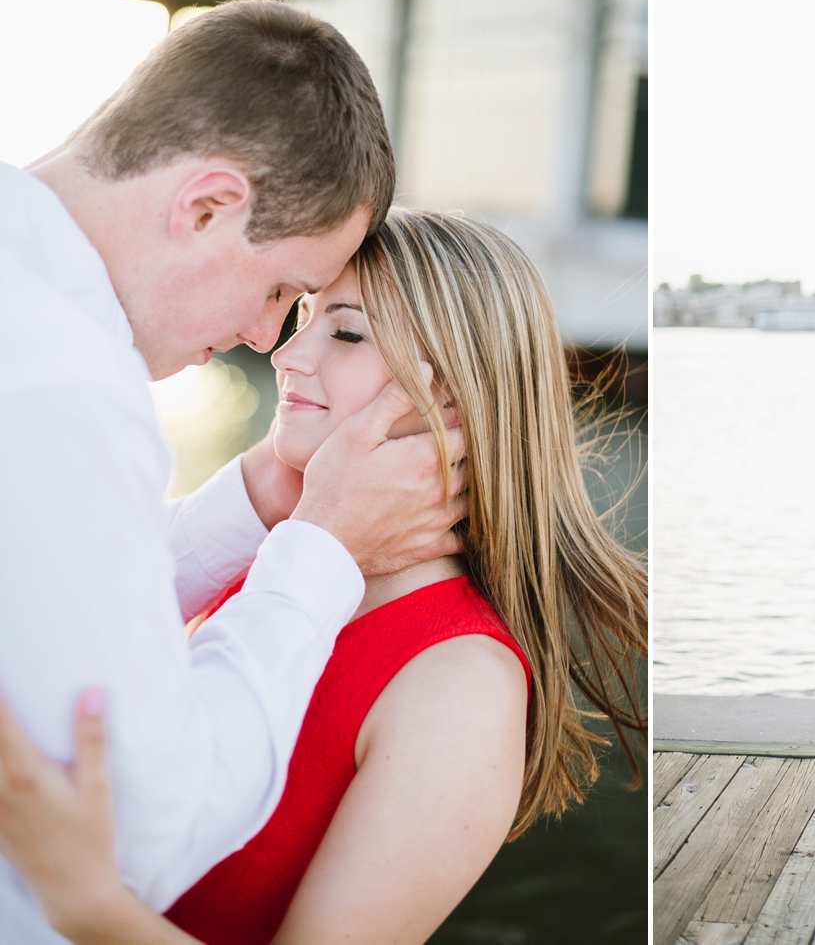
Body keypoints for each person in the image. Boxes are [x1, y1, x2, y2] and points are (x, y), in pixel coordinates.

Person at [0, 209, 648, 944]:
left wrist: (85, 900)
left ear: (455, 399)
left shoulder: (462, 682)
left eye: (343, 332)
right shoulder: (276, 560)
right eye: (302, 316)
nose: (285, 354)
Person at [0, 0, 467, 942]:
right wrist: (321, 551)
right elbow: (139, 835)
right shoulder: (66, 384)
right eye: (282, 291)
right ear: (206, 205)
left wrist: (261, 503)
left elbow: (48, 601)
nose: (267, 340)